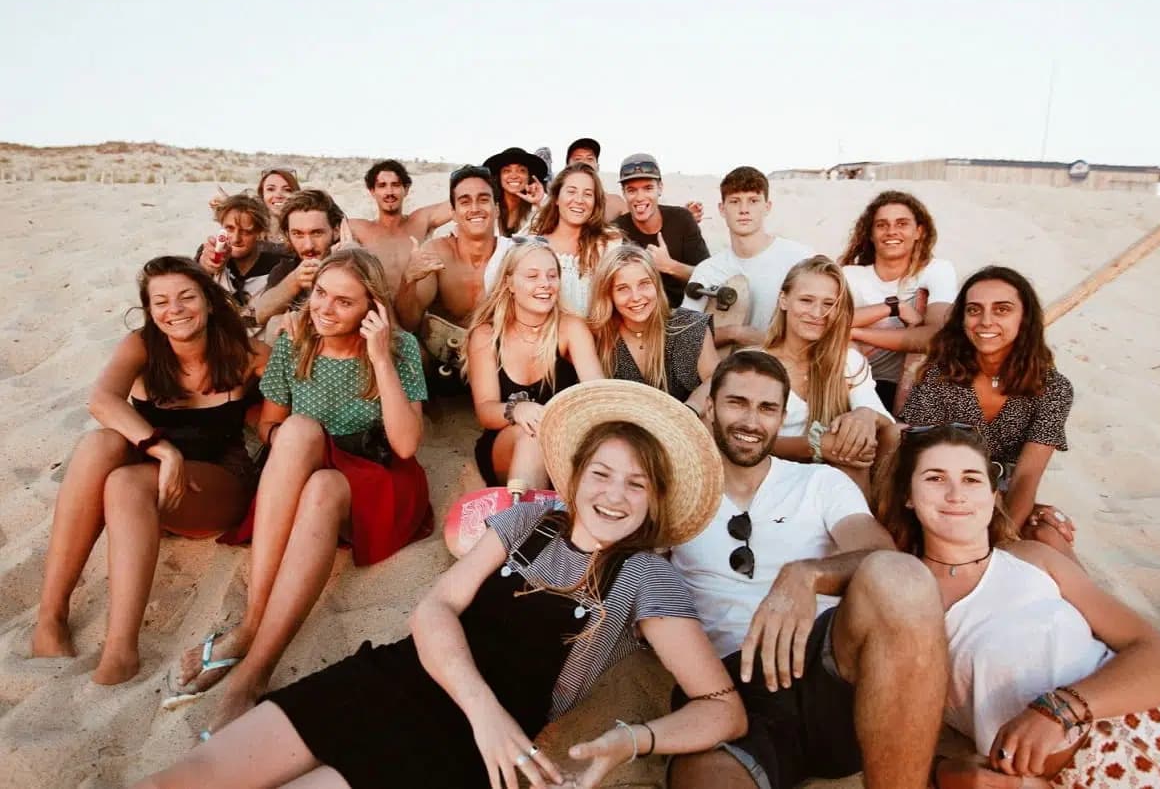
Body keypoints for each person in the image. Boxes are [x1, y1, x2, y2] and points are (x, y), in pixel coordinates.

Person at [133, 380, 748, 789]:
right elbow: (435, 608)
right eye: (603, 473)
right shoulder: (529, 520)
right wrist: (482, 708)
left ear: (656, 498)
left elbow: (723, 711)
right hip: (399, 678)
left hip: (457, 747)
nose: (614, 496)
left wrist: (632, 739)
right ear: (577, 475)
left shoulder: (646, 578)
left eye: (636, 484)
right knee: (191, 778)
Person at [171, 249, 431, 733]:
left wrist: (379, 358)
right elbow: (269, 424)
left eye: (344, 302)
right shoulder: (296, 342)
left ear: (371, 308)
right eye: (320, 294)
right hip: (316, 475)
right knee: (304, 448)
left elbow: (406, 444)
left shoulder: (400, 348)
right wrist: (302, 444)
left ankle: (252, 672)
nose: (325, 309)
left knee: (315, 459)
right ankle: (252, 627)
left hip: (379, 480)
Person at [668, 350, 948, 789]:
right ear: (710, 406)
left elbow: (882, 555)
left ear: (781, 419)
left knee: (904, 579)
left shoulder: (818, 482)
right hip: (729, 686)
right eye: (737, 403)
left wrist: (807, 574)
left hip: (825, 667)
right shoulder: (675, 494)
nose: (751, 421)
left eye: (767, 409)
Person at [876, 424, 1160, 788]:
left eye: (971, 479)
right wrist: (950, 774)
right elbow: (898, 737)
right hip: (1079, 778)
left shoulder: (1031, 558)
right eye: (935, 478)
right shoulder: (905, 596)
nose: (956, 495)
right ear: (908, 495)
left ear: (993, 495)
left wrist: (1058, 710)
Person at [31, 257, 267, 684]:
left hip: (215, 484)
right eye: (160, 302)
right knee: (101, 443)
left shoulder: (244, 352)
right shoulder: (142, 345)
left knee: (126, 480)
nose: (173, 310)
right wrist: (164, 451)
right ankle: (50, 617)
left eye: (185, 297)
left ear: (210, 302)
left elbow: (292, 395)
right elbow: (101, 400)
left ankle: (121, 649)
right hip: (149, 482)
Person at [901, 266, 1076, 555]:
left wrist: (1003, 539)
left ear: (1025, 317)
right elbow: (920, 462)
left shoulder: (1053, 388)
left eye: (1002, 310)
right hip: (945, 493)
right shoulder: (940, 376)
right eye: (974, 310)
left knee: (1047, 533)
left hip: (1007, 496)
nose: (985, 321)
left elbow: (1026, 476)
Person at [466, 239, 604, 491]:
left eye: (552, 276)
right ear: (509, 284)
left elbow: (597, 395)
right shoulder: (486, 335)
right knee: (531, 436)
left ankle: (523, 520)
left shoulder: (571, 329)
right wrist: (516, 410)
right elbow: (485, 411)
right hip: (505, 446)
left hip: (563, 446)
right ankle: (525, 524)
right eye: (532, 276)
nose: (545, 284)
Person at [760, 256, 897, 495]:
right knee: (849, 452)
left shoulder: (847, 360)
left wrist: (866, 414)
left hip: (831, 481)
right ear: (784, 300)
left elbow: (888, 429)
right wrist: (815, 446)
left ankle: (867, 518)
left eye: (829, 304)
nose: (817, 313)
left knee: (871, 436)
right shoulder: (755, 364)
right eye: (806, 300)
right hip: (770, 477)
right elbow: (736, 438)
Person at [839, 191, 957, 413]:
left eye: (902, 223)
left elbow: (937, 336)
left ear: (919, 232)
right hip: (848, 383)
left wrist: (855, 332)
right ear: (871, 234)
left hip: (910, 389)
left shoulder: (936, 270)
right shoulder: (850, 276)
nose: (891, 231)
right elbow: (826, 322)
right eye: (882, 225)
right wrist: (893, 307)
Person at [680, 167, 814, 349]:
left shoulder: (801, 259)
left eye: (753, 201)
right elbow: (685, 336)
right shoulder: (708, 270)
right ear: (722, 209)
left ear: (767, 207)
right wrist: (734, 333)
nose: (744, 210)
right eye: (735, 202)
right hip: (726, 371)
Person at [394, 165, 513, 346]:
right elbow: (409, 323)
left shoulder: (512, 255)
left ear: (496, 209)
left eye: (483, 200)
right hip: (444, 360)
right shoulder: (437, 252)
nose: (475, 208)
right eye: (465, 202)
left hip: (500, 355)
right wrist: (409, 279)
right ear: (454, 214)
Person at [589, 244, 718, 406]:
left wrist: (690, 410)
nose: (636, 297)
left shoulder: (690, 326)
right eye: (623, 288)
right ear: (608, 295)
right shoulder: (598, 337)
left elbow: (715, 380)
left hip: (686, 426)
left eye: (644, 284)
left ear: (656, 285)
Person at [613, 153, 711, 307]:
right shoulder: (616, 231)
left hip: (685, 312)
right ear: (623, 193)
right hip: (638, 315)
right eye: (632, 190)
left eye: (648, 188)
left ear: (660, 188)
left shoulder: (682, 219)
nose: (640, 197)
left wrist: (670, 266)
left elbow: (710, 278)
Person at [341, 159, 453, 290]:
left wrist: (482, 172)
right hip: (377, 308)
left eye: (395, 185)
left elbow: (460, 201)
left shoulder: (420, 221)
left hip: (417, 308)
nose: (389, 192)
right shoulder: (358, 228)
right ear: (372, 191)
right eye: (382, 186)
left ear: (405, 189)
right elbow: (323, 224)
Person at [530, 162, 622, 316]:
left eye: (587, 194)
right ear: (556, 199)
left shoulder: (609, 245)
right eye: (571, 191)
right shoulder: (534, 246)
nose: (579, 200)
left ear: (595, 203)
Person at [254, 189, 345, 331]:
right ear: (288, 235)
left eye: (317, 233)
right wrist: (295, 281)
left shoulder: (353, 263)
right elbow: (260, 315)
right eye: (298, 234)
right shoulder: (287, 267)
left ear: (336, 230)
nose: (308, 245)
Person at [197, 193, 291, 330]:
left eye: (246, 232)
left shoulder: (278, 264)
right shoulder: (209, 253)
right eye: (229, 229)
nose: (236, 239)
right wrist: (204, 268)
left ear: (259, 232)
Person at [208, 167, 300, 247]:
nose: (279, 195)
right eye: (271, 189)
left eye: (287, 190)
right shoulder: (252, 226)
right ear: (262, 194)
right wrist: (225, 205)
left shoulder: (304, 228)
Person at [484, 146, 550, 237]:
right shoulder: (489, 206)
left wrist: (540, 201)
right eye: (507, 171)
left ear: (529, 177)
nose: (514, 176)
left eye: (521, 171)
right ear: (499, 177)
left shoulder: (539, 206)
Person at [564, 136, 629, 222]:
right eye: (578, 159)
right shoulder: (557, 202)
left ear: (597, 167)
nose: (584, 163)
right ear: (567, 167)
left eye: (590, 159)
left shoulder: (615, 202)